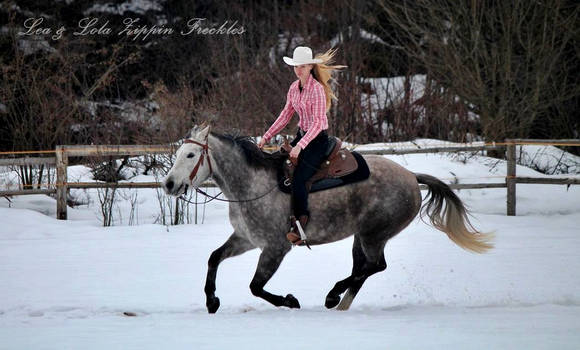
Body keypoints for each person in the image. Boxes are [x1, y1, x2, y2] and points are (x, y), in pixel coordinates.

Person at [258, 46, 346, 246]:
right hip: (302, 135)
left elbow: (317, 122)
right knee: (280, 167)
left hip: (318, 139)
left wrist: (300, 146)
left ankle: (301, 223)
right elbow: (285, 115)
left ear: (310, 67)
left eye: (303, 66)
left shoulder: (317, 90)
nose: (299, 70)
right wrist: (266, 136)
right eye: (296, 66)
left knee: (299, 179)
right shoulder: (293, 88)